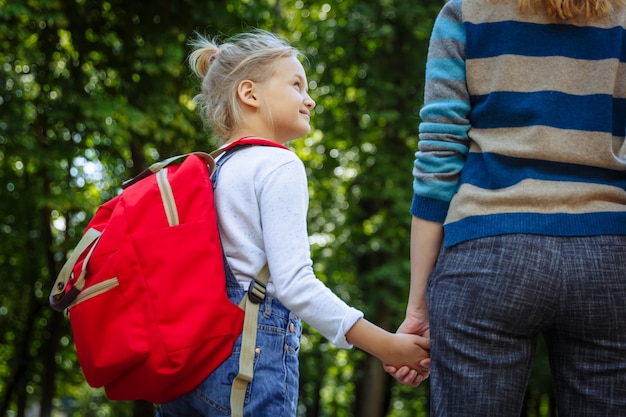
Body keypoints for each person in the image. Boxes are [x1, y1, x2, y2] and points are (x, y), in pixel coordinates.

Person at [156, 29, 430, 417]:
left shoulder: (210, 171)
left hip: (187, 371)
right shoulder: (278, 164)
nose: (310, 99)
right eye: (297, 85)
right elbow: (295, 285)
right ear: (250, 94)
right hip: (247, 367)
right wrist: (385, 344)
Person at [385, 0, 626, 415]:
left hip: (487, 253)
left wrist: (417, 307)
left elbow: (438, 162)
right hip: (609, 257)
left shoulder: (466, 12)